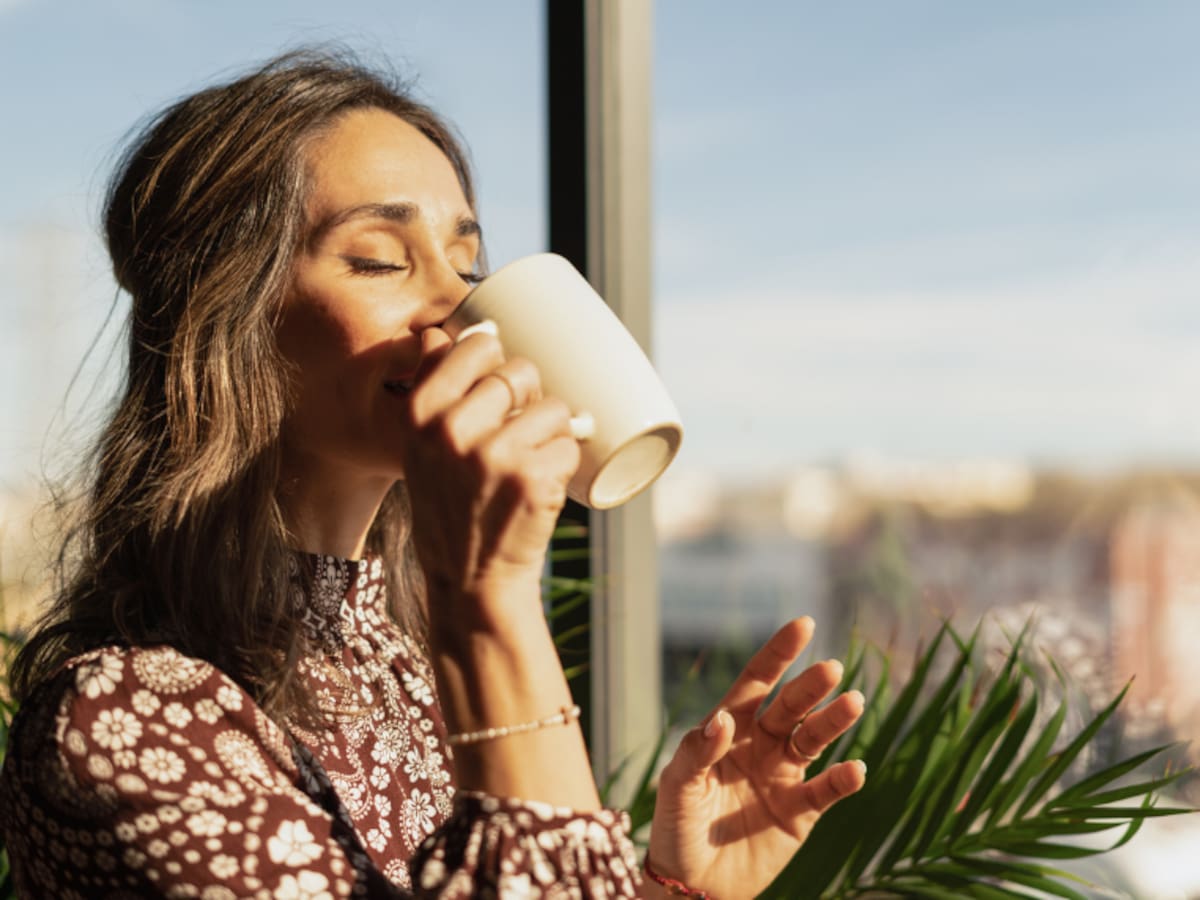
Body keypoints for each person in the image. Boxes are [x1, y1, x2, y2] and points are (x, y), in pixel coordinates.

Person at [0, 49, 867, 898]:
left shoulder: (407, 658)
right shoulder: (124, 719)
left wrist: (671, 889)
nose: (458, 304)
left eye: (467, 261)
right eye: (378, 259)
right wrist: (488, 598)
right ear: (226, 317)